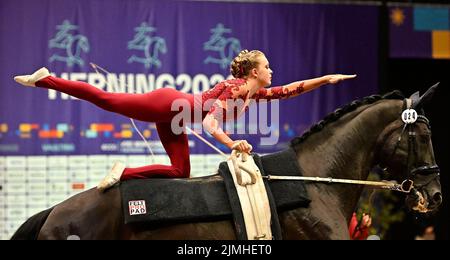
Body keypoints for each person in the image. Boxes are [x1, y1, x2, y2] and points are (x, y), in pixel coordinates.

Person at [14, 49, 356, 191]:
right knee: (107, 100)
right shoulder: (236, 89)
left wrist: (325, 79)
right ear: (255, 71)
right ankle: (45, 79)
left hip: (175, 118)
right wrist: (231, 143)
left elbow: (290, 90)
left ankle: (123, 173)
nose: (272, 72)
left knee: (180, 173)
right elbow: (209, 124)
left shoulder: (254, 93)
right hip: (169, 103)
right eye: (268, 67)